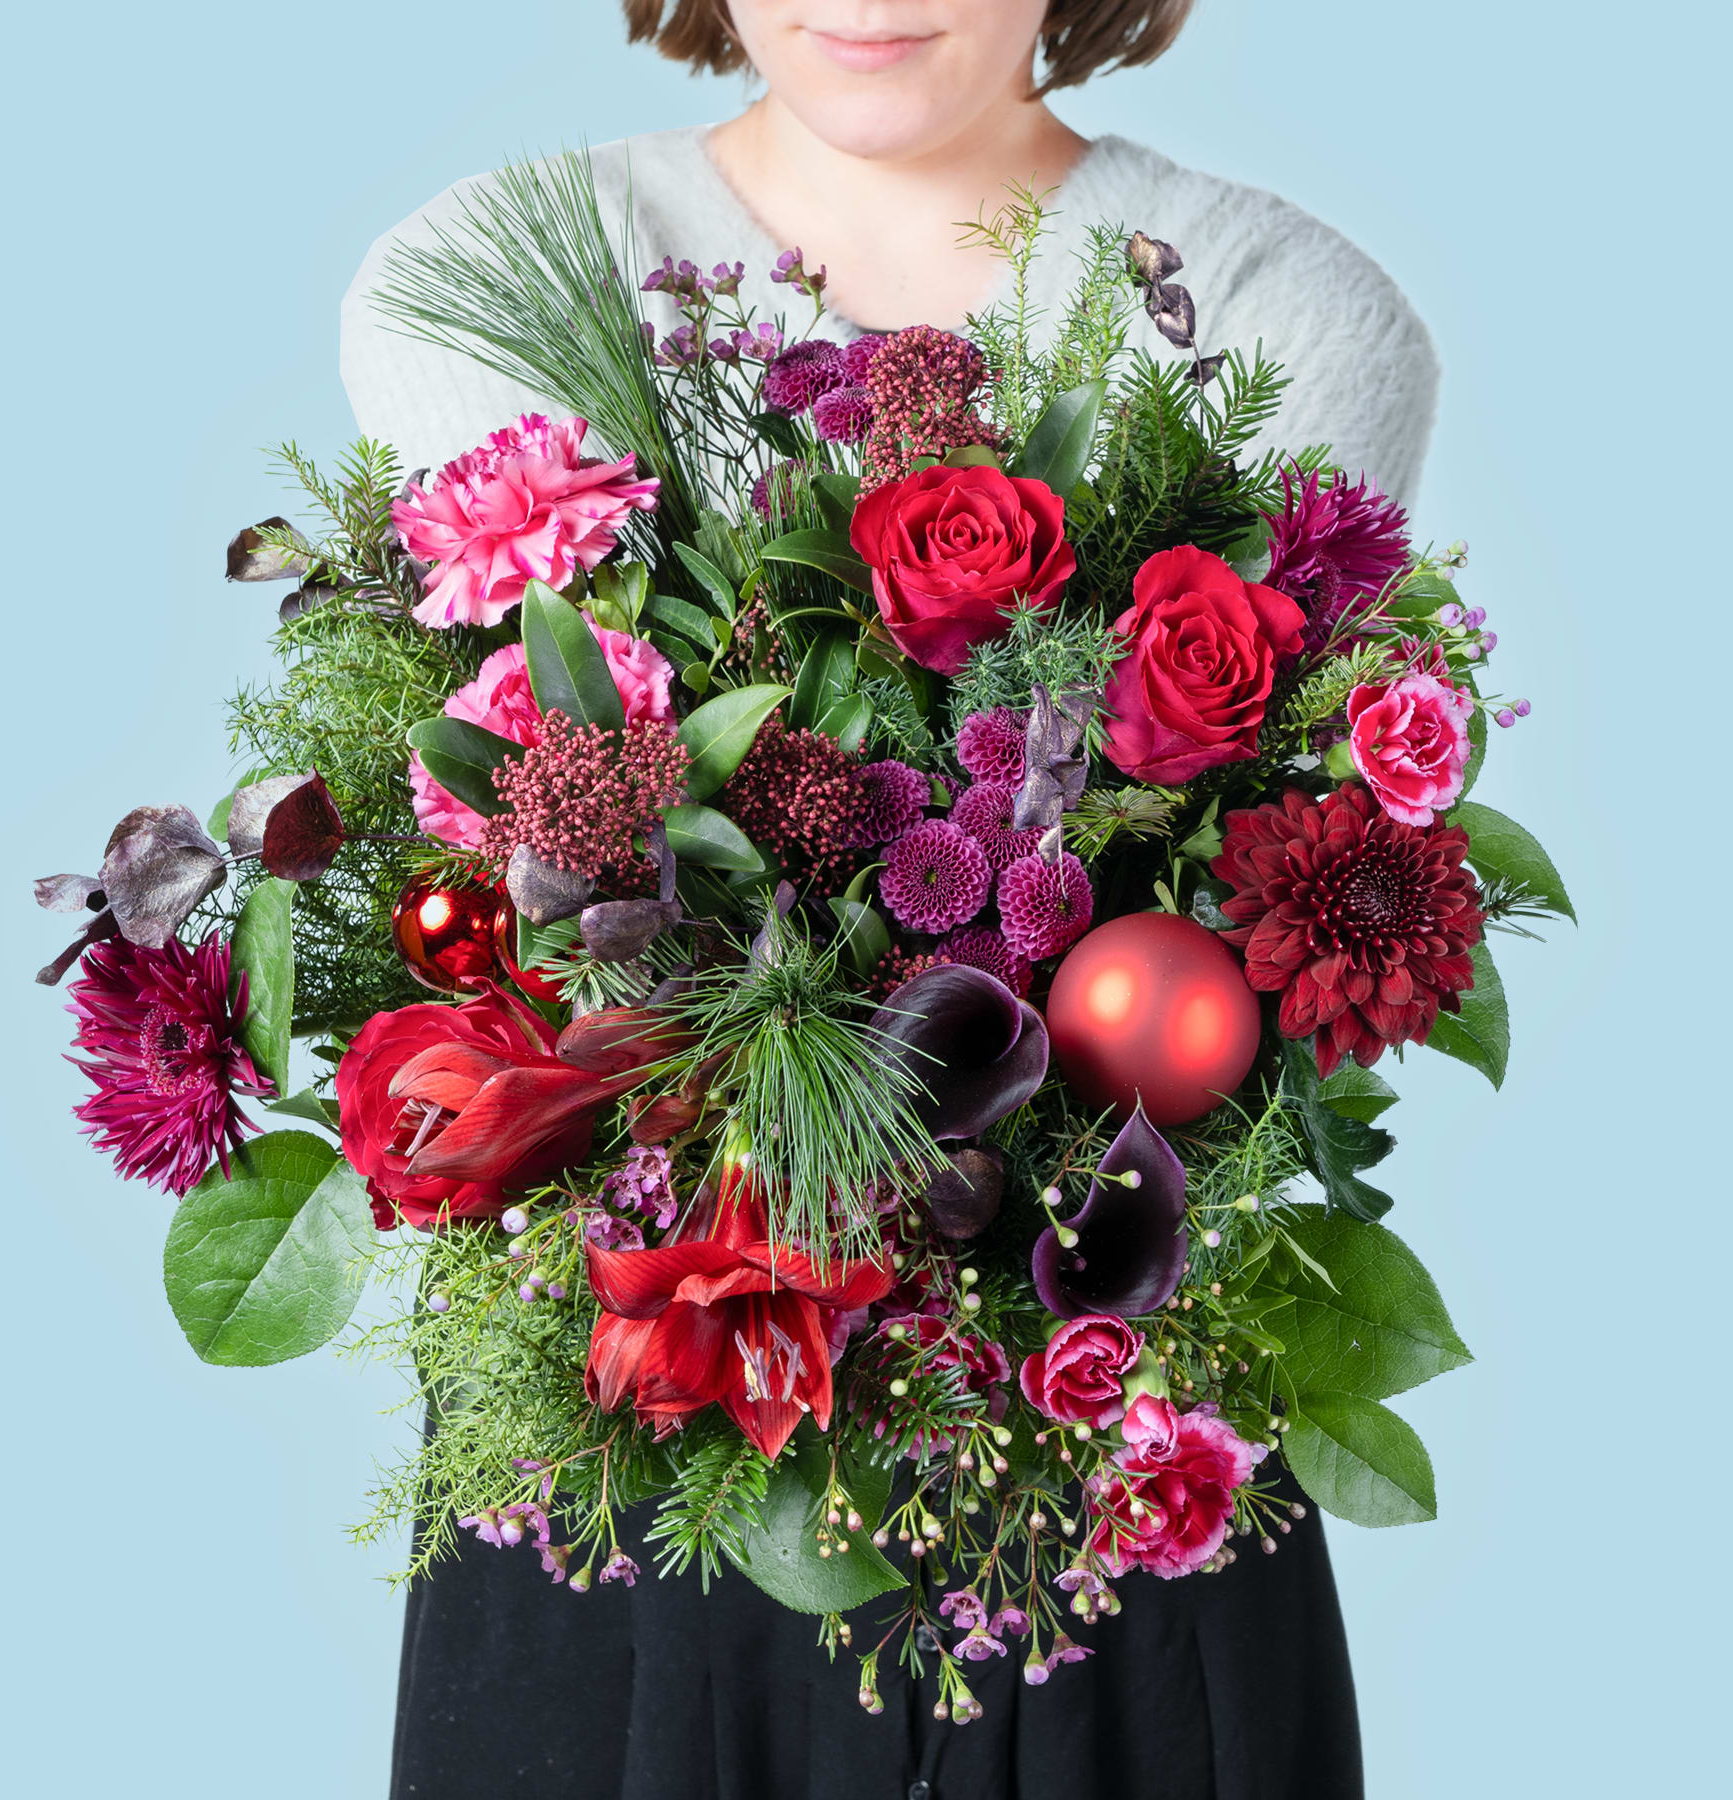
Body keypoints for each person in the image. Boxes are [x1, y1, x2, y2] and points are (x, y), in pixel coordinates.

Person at [345, 5, 1437, 1795]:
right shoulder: (484, 277)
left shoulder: (1280, 313)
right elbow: (533, 891)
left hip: (1098, 1474)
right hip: (638, 1453)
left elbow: (1220, 916)